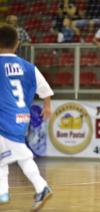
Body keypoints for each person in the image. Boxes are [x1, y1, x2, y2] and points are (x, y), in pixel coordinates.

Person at [0, 24, 54, 210]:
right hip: (21, 116)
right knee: (2, 155)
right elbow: (45, 89)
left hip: (4, 118)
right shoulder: (28, 67)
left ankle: (41, 186)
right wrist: (47, 106)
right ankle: (3, 192)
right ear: (17, 44)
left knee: (22, 155)